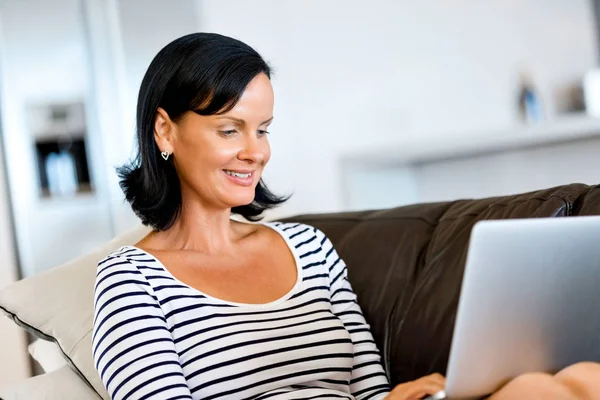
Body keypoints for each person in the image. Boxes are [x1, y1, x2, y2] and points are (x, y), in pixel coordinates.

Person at [92, 32, 600, 400]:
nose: (255, 152)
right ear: (165, 132)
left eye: (263, 129)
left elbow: (370, 390)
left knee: (570, 379)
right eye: (230, 130)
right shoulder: (131, 282)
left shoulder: (309, 247)